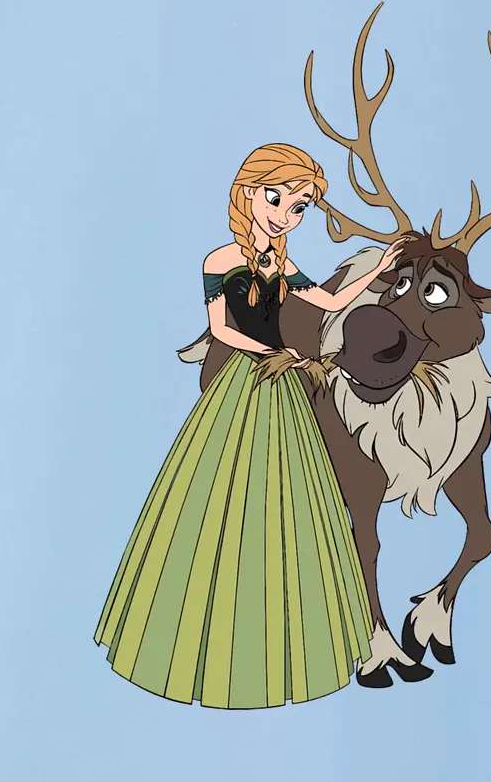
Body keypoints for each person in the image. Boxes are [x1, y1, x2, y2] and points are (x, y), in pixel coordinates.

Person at [96, 144, 401, 707]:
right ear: (248, 193)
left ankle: (296, 643)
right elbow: (220, 329)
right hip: (246, 381)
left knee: (293, 502)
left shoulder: (283, 265)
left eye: (299, 207)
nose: (286, 214)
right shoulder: (220, 261)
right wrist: (272, 353)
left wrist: (379, 271)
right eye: (276, 197)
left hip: (282, 383)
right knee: (216, 500)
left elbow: (330, 300)